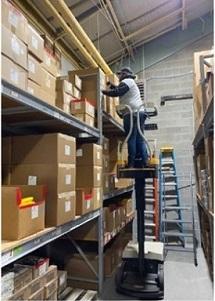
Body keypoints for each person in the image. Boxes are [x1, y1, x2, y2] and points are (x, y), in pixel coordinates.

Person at [102, 67, 148, 168]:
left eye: (120, 74)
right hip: (139, 112)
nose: (119, 76)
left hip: (131, 113)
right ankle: (144, 162)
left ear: (124, 74)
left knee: (131, 137)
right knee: (139, 138)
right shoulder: (130, 82)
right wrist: (112, 86)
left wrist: (102, 91)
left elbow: (117, 92)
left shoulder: (127, 81)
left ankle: (131, 163)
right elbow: (119, 89)